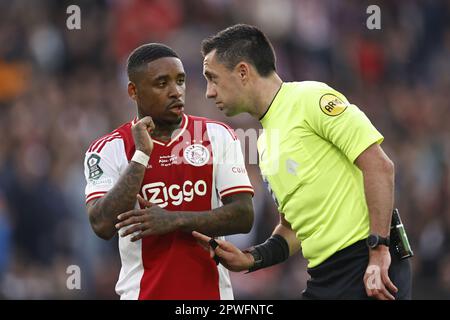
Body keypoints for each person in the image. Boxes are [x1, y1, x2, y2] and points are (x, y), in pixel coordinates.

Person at [193, 24, 412, 300]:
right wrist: (252, 259)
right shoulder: (264, 143)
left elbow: (380, 166)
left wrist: (379, 249)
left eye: (212, 78)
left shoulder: (310, 98)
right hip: (325, 275)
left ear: (243, 72)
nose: (209, 92)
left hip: (366, 264)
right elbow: (293, 229)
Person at [83, 43, 255, 300]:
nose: (176, 92)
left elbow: (243, 215)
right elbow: (102, 224)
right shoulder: (108, 149)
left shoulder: (218, 135)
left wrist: (174, 219)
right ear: (134, 91)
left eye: (181, 81)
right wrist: (141, 155)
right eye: (162, 83)